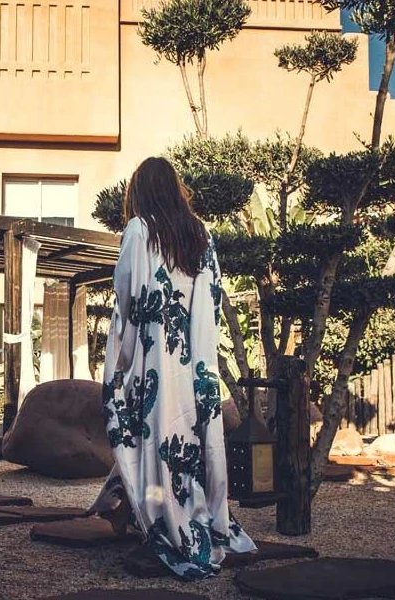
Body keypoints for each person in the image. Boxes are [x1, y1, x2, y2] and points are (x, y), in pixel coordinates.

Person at [88, 156, 256, 579]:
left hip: (155, 361)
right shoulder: (200, 234)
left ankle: (157, 517)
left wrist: (123, 358)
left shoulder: (139, 229)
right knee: (189, 441)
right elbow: (212, 299)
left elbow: (127, 295)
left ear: (140, 192)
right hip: (194, 362)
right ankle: (165, 512)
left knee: (149, 437)